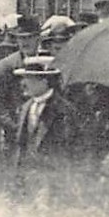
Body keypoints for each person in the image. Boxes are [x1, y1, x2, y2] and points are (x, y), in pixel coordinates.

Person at [7, 56, 75, 208]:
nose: (23, 84)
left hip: (51, 182)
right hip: (26, 179)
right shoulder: (26, 107)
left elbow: (68, 149)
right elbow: (21, 146)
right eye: (23, 78)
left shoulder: (63, 110)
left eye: (29, 79)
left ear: (44, 81)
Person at [0, 14, 48, 147]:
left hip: (45, 131)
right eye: (21, 38)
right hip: (16, 135)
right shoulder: (5, 66)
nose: (25, 42)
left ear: (39, 38)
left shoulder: (48, 63)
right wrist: (14, 126)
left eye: (29, 37)